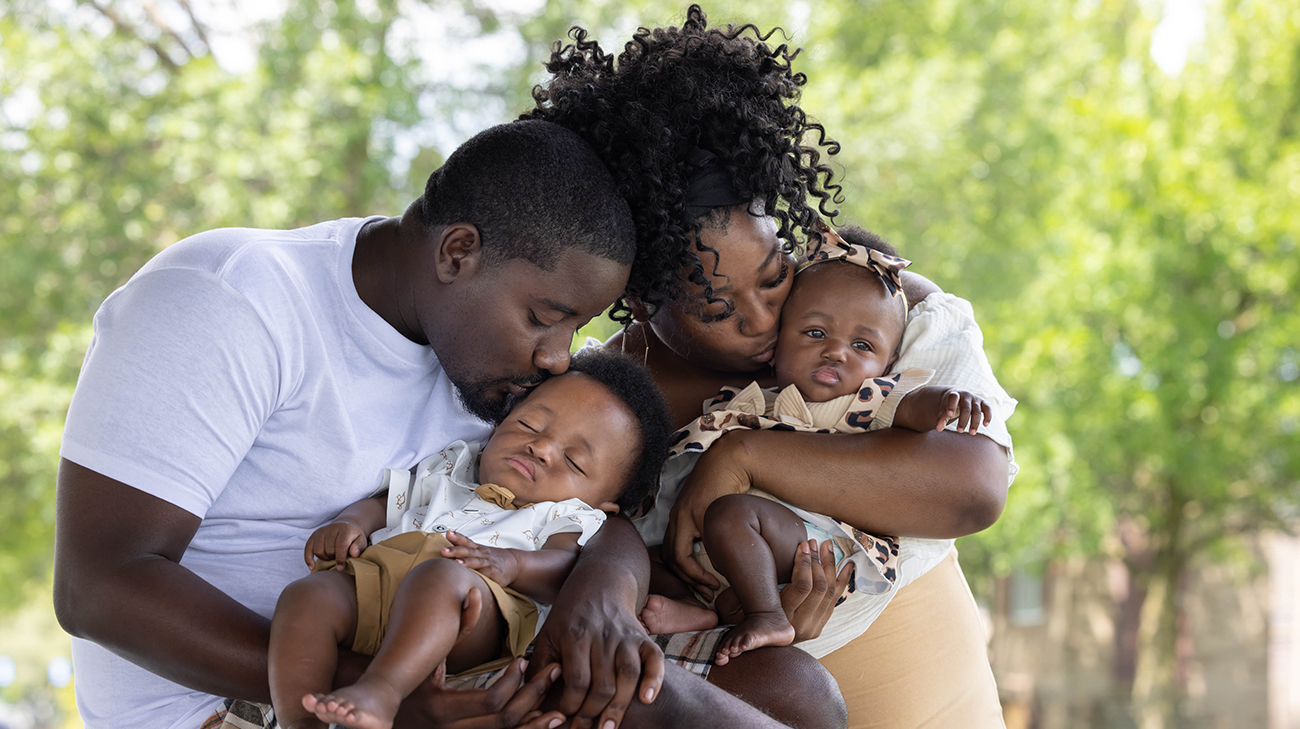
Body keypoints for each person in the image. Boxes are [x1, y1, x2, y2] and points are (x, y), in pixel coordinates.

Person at [52, 119, 642, 729]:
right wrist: (384, 691)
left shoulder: (512, 370)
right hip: (225, 703)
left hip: (429, 674)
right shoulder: (231, 297)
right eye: (546, 318)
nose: (558, 355)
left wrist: (605, 588)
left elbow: (605, 504)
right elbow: (97, 589)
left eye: (575, 330)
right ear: (458, 252)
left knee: (634, 686)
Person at [525, 7, 1018, 728]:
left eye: (775, 274)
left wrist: (747, 454)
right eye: (719, 308)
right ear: (639, 297)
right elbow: (603, 556)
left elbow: (971, 487)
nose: (763, 320)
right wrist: (744, 603)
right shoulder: (605, 401)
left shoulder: (864, 301)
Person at [638, 222, 995, 666]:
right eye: (814, 334)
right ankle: (703, 612)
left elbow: (908, 408)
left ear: (887, 362)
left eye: (862, 346)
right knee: (642, 553)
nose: (837, 352)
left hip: (810, 538)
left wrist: (946, 401)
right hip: (728, 549)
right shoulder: (754, 400)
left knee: (733, 513)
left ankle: (767, 614)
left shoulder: (864, 400)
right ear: (780, 344)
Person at [269, 351, 672, 729]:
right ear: (499, 425)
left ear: (604, 503)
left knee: (443, 578)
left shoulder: (568, 515)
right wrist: (351, 521)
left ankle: (382, 692)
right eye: (529, 425)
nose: (543, 447)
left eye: (574, 461)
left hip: (473, 617)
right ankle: (301, 718)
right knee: (307, 594)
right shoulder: (455, 463)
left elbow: (563, 570)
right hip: (374, 587)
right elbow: (389, 500)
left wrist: (513, 564)